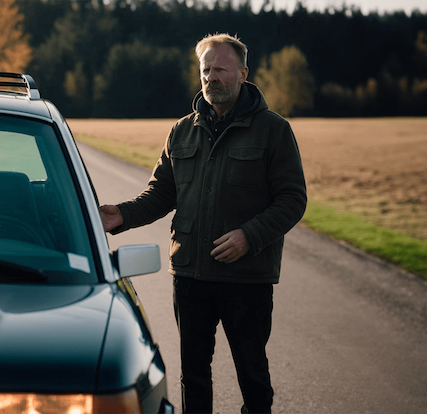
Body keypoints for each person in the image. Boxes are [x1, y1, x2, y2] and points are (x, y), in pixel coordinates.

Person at [100, 33, 307, 414]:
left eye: (221, 70)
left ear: (243, 73)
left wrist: (250, 236)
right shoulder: (181, 130)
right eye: (205, 70)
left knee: (253, 379)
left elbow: (293, 200)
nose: (211, 77)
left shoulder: (274, 131)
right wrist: (122, 215)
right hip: (190, 275)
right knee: (193, 376)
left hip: (248, 279)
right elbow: (161, 194)